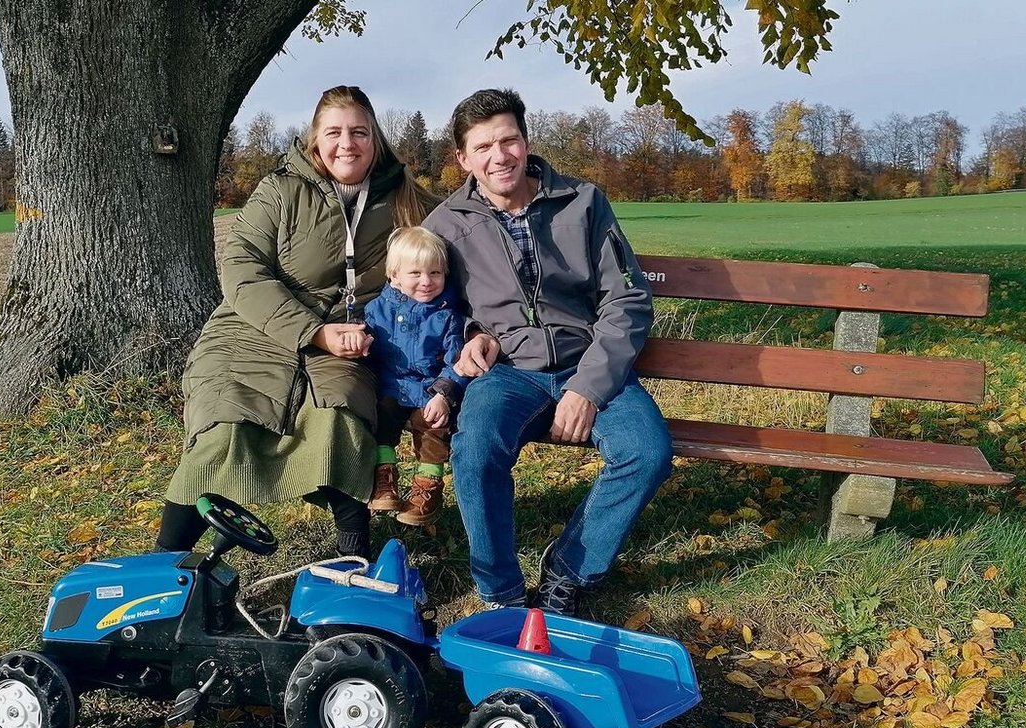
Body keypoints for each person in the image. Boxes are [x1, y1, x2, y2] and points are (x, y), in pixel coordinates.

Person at [156, 86, 434, 559]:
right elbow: (242, 270)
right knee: (226, 421)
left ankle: (354, 562)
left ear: (375, 139)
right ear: (315, 140)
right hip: (252, 329)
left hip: (352, 340)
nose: (347, 143)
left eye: (359, 132)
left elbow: (465, 237)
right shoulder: (280, 190)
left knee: (342, 417)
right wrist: (312, 332)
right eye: (335, 132)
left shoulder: (406, 199)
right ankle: (161, 568)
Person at [423, 88, 673, 615]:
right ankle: (501, 591)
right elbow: (431, 303)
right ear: (462, 159)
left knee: (645, 451)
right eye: (484, 146)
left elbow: (627, 297)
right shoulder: (445, 224)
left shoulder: (582, 202)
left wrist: (587, 386)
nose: (500, 156)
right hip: (507, 374)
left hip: (590, 365)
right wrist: (469, 334)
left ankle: (568, 570)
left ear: (526, 140)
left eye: (508, 140)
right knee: (475, 449)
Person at [362, 226, 470, 526]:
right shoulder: (376, 311)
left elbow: (456, 361)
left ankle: (428, 485)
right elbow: (368, 350)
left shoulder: (447, 315)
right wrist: (360, 346)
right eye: (416, 274)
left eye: (435, 273)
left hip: (429, 389)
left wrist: (444, 394)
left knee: (433, 425)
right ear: (394, 276)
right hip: (390, 385)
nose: (427, 282)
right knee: (380, 417)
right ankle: (384, 476)